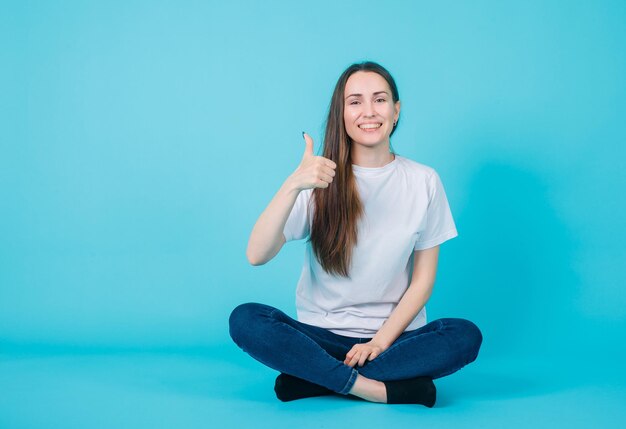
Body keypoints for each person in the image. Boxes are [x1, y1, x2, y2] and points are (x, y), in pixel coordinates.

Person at [229, 61, 482, 406]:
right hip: (323, 336)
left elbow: (422, 284)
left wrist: (378, 343)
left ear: (396, 110)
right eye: (355, 102)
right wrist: (293, 184)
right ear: (342, 114)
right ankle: (374, 388)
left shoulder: (424, 181)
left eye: (379, 100)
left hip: (396, 339)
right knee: (246, 319)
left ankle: (316, 378)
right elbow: (256, 255)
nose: (368, 112)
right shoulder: (318, 179)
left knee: (464, 335)